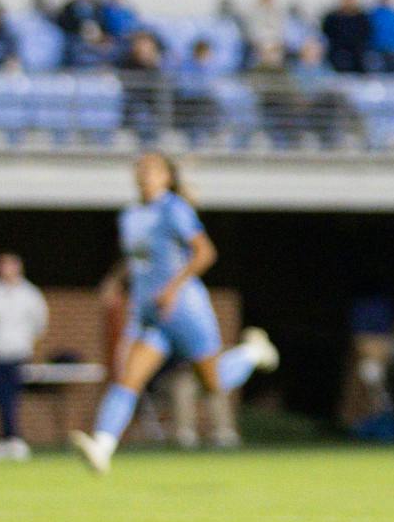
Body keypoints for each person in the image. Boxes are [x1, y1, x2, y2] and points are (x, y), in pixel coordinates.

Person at [68, 155, 279, 474]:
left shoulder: (174, 209)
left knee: (212, 384)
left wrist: (172, 288)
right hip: (151, 314)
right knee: (127, 379)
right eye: (140, 168)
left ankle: (251, 353)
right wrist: (115, 280)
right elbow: (137, 257)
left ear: (166, 177)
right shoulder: (130, 215)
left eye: (151, 169)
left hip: (185, 308)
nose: (143, 174)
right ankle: (102, 446)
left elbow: (205, 252)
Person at [0, 252, 47, 460]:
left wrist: (31, 345)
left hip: (18, 351)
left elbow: (40, 323)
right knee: (0, 396)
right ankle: (7, 436)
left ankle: (13, 437)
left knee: (12, 396)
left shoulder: (30, 293)